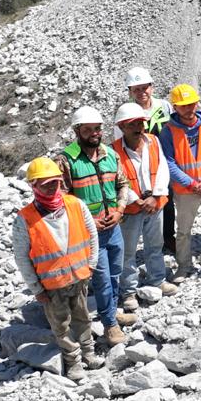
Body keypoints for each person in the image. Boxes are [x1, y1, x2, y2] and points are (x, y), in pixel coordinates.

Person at [12, 158, 104, 381]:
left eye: (55, 182)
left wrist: (91, 264)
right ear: (34, 186)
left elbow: (92, 235)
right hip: (51, 286)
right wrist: (36, 288)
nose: (52, 187)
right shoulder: (24, 219)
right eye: (45, 184)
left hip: (79, 277)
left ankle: (89, 353)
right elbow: (22, 257)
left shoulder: (75, 204)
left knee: (83, 317)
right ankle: (73, 360)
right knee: (61, 325)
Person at [56, 106, 129, 346]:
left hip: (113, 225)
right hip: (90, 233)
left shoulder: (110, 154)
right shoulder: (66, 160)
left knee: (115, 273)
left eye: (97, 128)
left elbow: (123, 184)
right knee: (102, 279)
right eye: (88, 130)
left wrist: (119, 211)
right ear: (77, 131)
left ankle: (112, 311)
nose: (94, 133)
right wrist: (89, 222)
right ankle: (110, 326)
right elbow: (63, 200)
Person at [112, 102, 177, 315]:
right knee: (128, 251)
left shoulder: (153, 142)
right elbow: (117, 179)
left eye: (141, 122)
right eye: (133, 124)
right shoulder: (113, 151)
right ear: (122, 127)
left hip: (154, 204)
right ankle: (129, 291)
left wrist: (156, 195)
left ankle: (157, 280)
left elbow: (162, 169)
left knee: (154, 244)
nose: (139, 127)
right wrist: (136, 200)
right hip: (131, 208)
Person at [160, 84, 201, 279]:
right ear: (175, 107)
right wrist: (192, 184)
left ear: (197, 103)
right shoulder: (168, 131)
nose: (189, 109)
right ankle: (184, 265)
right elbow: (169, 163)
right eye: (183, 106)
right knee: (184, 231)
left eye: (192, 104)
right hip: (186, 191)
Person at [120, 66, 176, 254]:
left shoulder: (164, 106)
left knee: (166, 200)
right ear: (129, 91)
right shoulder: (126, 112)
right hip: (139, 164)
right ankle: (144, 243)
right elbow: (118, 144)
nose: (141, 92)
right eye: (136, 89)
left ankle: (167, 237)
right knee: (140, 202)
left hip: (165, 161)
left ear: (151, 87)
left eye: (144, 87)